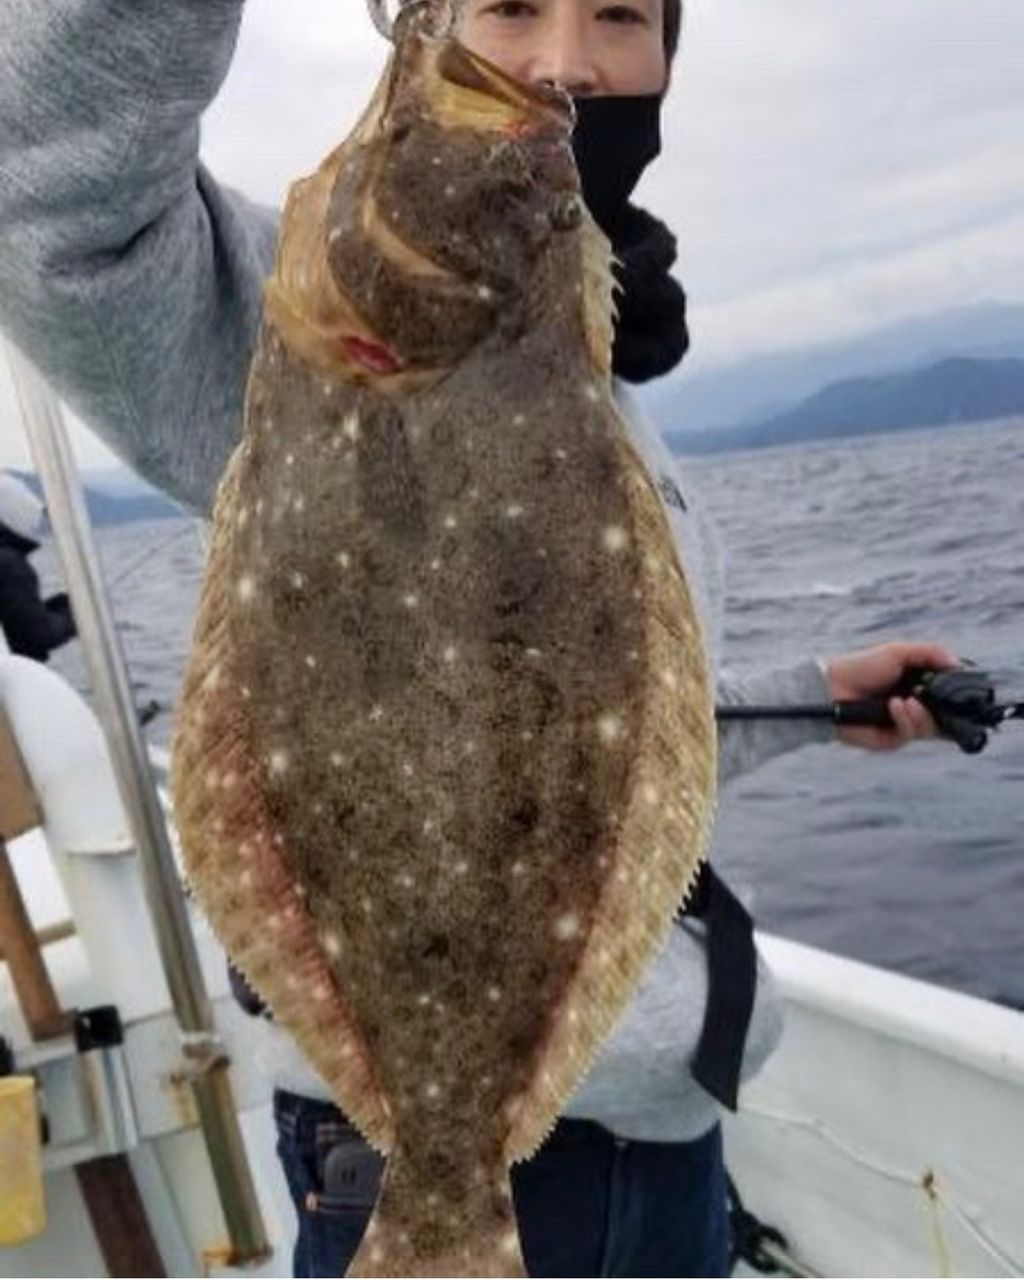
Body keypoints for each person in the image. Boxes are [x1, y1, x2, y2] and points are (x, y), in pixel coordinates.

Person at [0, 0, 960, 1274]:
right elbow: (50, 198)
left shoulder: (593, 377)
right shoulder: (288, 327)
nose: (565, 62)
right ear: (408, 21)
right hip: (443, 1168)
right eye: (510, 7)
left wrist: (807, 699)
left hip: (665, 1146)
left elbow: (566, 748)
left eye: (619, 14)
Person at [0, 470, 76, 662]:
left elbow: (13, 622)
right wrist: (73, 615)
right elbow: (38, 635)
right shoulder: (9, 564)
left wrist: (54, 608)